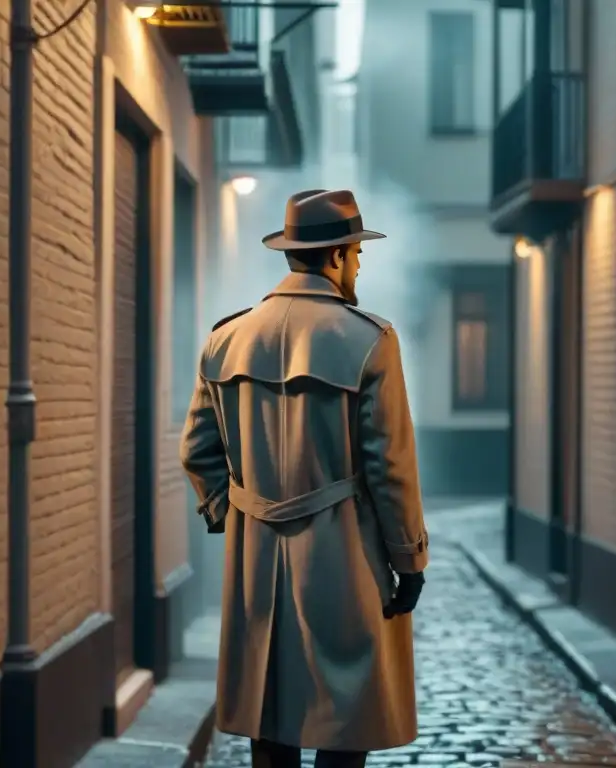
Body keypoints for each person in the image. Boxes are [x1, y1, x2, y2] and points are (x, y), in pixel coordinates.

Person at [181, 189, 430, 768]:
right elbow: (389, 467)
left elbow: (197, 450)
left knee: (268, 715)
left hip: (255, 553)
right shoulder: (370, 339)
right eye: (357, 253)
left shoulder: (227, 338)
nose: (359, 265)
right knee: (345, 722)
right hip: (346, 556)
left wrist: (234, 511)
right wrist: (409, 561)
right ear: (339, 255)